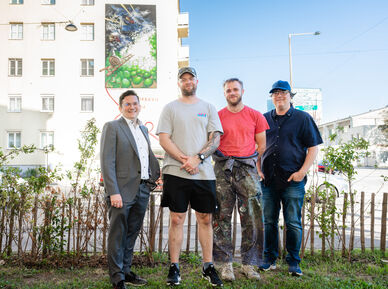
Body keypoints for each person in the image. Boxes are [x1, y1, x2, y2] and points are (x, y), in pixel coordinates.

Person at [156, 67, 224, 287]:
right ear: (179, 83)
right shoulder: (170, 108)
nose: (187, 82)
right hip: (176, 172)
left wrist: (198, 158)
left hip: (203, 173)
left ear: (197, 81)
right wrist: (185, 160)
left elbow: (215, 139)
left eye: (191, 78)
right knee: (177, 219)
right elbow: (164, 139)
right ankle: (174, 267)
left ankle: (208, 266)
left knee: (205, 219)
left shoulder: (208, 107)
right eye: (183, 79)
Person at [258, 80, 323, 276]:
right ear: (272, 97)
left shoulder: (303, 118)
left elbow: (313, 147)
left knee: (293, 222)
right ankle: (269, 259)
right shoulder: (263, 119)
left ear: (290, 96)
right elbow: (257, 149)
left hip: (293, 181)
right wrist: (258, 170)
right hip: (268, 180)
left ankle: (294, 262)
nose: (279, 96)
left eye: (283, 92)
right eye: (275, 93)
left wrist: (302, 171)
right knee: (268, 222)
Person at [100, 90, 160, 289]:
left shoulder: (142, 129)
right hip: (121, 191)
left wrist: (154, 177)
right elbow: (107, 162)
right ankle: (117, 279)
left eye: (135, 103)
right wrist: (113, 191)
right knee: (118, 234)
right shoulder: (112, 127)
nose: (132, 107)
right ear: (120, 107)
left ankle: (125, 271)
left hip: (142, 190)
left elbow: (145, 157)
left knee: (131, 233)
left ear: (139, 106)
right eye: (127, 104)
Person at [212, 78, 269, 281]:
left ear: (242, 91)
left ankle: (249, 264)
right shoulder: (217, 116)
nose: (232, 92)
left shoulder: (256, 116)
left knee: (252, 218)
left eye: (235, 89)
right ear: (224, 93)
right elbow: (212, 141)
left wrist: (247, 159)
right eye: (228, 90)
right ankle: (225, 265)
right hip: (222, 170)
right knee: (221, 218)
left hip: (247, 170)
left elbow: (261, 145)